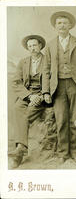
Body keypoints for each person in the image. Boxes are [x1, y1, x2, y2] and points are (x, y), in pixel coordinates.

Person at [42, 11, 76, 163]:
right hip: (57, 86)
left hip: (75, 84)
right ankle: (63, 153)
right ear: (55, 27)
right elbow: (46, 69)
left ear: (70, 26)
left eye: (64, 23)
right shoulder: (50, 44)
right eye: (59, 23)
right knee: (61, 119)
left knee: (75, 118)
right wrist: (45, 91)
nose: (62, 25)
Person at [8, 35, 46, 168]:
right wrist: (29, 96)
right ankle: (20, 148)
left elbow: (53, 82)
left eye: (34, 45)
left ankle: (19, 151)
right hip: (28, 94)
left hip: (43, 96)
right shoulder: (23, 62)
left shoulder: (48, 61)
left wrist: (41, 96)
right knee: (17, 108)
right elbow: (16, 82)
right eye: (29, 46)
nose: (32, 48)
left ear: (40, 46)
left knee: (26, 114)